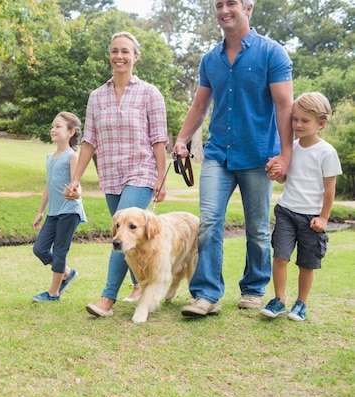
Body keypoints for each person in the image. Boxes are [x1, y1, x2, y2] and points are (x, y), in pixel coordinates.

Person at [172, 0, 294, 317]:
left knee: (256, 228)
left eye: (231, 3)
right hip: (218, 153)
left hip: (258, 155)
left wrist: (286, 153)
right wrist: (182, 138)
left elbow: (285, 106)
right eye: (218, 5)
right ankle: (206, 295)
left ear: (248, 8)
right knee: (209, 223)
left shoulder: (271, 53)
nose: (224, 10)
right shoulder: (210, 59)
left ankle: (254, 289)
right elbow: (199, 106)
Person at [65, 32, 169, 317]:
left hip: (141, 171)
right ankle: (140, 284)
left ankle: (107, 299)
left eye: (125, 51)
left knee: (122, 234)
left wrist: (161, 178)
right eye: (114, 51)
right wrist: (75, 179)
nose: (119, 56)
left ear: (136, 57)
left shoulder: (150, 93)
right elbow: (89, 142)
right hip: (110, 174)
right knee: (131, 237)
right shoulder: (96, 97)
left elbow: (159, 140)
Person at [260, 92, 342, 321]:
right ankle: (279, 300)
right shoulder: (291, 148)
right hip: (286, 210)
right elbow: (286, 178)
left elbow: (329, 190)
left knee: (306, 263)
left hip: (311, 217)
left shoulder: (327, 152)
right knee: (280, 257)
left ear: (321, 123)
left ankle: (301, 303)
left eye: (305, 120)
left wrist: (324, 218)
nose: (297, 124)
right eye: (295, 119)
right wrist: (277, 175)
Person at [31, 112, 87, 302]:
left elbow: (76, 182)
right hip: (54, 212)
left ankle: (53, 293)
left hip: (70, 211)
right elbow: (48, 185)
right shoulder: (50, 157)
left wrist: (76, 192)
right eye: (53, 126)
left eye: (58, 126)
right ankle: (67, 272)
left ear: (71, 132)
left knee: (60, 250)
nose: (53, 130)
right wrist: (40, 211)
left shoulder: (73, 157)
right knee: (39, 248)